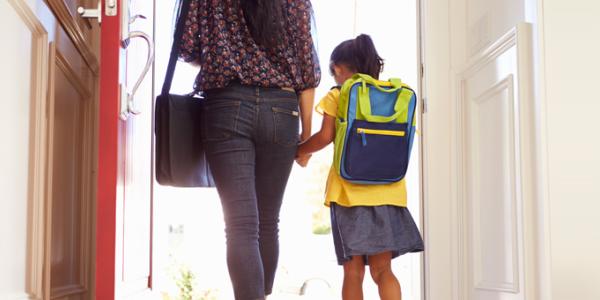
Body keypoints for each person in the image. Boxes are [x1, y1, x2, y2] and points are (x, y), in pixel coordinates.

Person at [178, 0, 320, 299]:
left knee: (241, 225)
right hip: (282, 111)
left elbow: (187, 47)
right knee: (268, 221)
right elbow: (307, 72)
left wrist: (224, 53)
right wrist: (306, 138)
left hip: (227, 105)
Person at [296, 34, 424, 300]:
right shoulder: (393, 95)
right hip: (389, 194)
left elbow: (324, 137)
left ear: (339, 69)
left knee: (353, 274)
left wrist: (299, 152)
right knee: (383, 271)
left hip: (349, 195)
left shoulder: (339, 94)